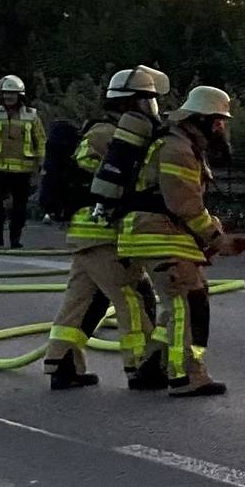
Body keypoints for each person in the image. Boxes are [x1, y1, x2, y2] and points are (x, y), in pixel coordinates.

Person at [39, 67, 168, 391]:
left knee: (81, 302)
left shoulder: (105, 131)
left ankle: (63, 365)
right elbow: (102, 178)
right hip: (103, 232)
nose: (151, 110)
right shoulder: (109, 134)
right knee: (134, 297)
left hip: (86, 233)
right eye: (148, 102)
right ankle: (141, 367)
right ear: (132, 103)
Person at [117, 86, 245, 397]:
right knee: (186, 305)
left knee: (183, 302)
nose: (221, 129)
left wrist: (214, 235)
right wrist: (218, 240)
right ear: (200, 119)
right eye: (218, 122)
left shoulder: (185, 144)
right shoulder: (177, 149)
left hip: (159, 234)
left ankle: (153, 365)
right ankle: (187, 376)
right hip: (157, 236)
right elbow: (184, 205)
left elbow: (185, 204)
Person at [0, 75, 46, 249]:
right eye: (6, 94)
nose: (8, 97)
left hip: (23, 170)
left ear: (20, 95)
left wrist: (43, 162)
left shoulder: (32, 116)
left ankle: (15, 239)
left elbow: (41, 141)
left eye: (12, 94)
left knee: (19, 209)